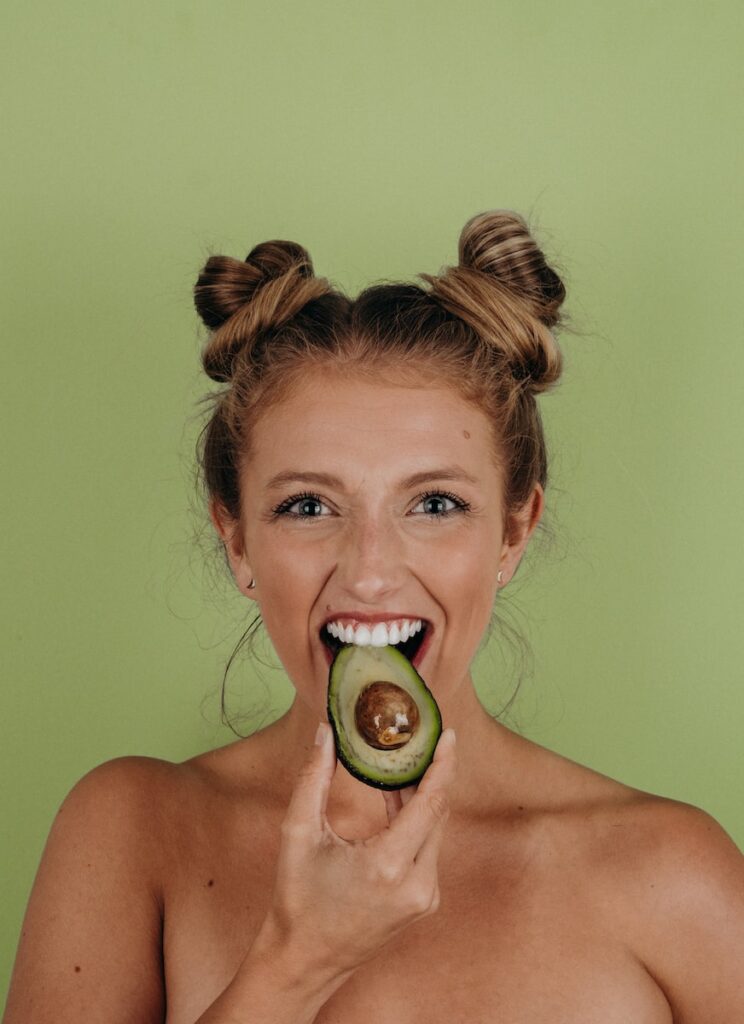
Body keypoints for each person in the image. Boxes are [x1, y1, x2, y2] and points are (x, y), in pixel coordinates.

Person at [4, 211, 744, 1024]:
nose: (370, 572)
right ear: (238, 540)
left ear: (513, 531)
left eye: (434, 503)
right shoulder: (130, 832)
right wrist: (297, 961)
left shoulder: (678, 876)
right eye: (308, 505)